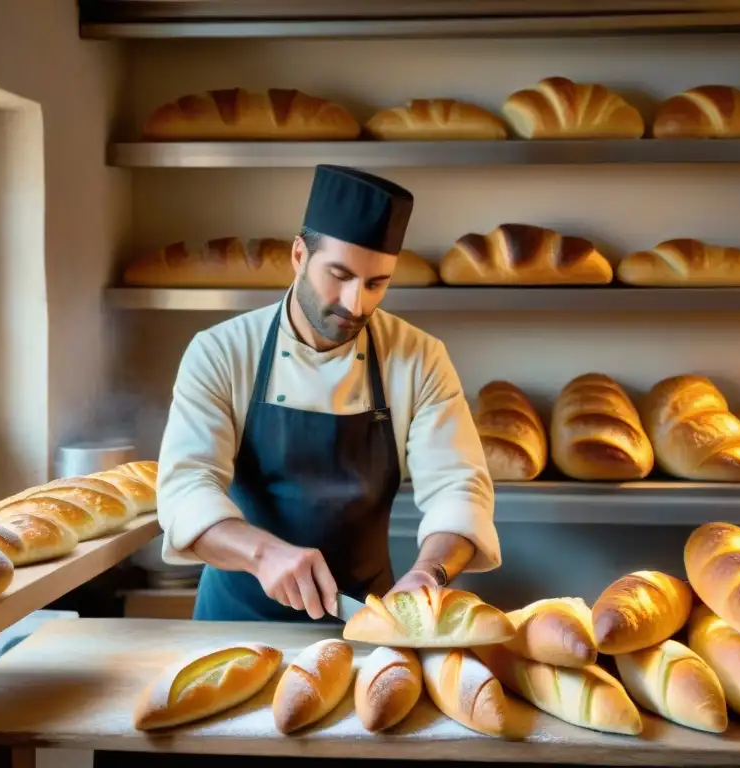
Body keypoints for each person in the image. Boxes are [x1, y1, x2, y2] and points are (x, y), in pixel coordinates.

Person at [156, 164, 500, 622]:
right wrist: (263, 554)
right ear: (299, 255)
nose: (354, 304)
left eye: (376, 284)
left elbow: (459, 488)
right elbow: (184, 489)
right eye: (338, 274)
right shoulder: (221, 351)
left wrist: (430, 572)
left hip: (365, 622)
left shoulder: (419, 358)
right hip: (234, 619)